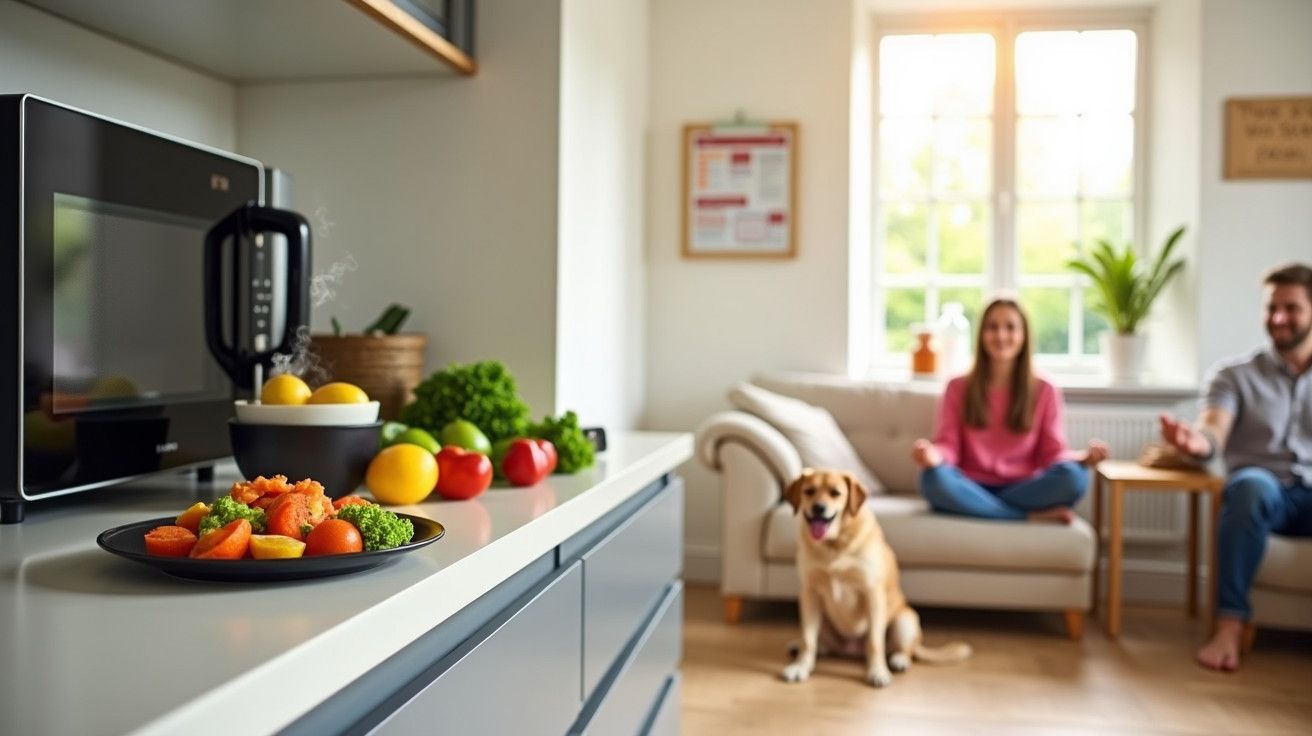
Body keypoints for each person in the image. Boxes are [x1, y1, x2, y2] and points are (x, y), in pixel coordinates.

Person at [1159, 262, 1312, 672]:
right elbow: (1213, 430)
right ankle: (1229, 627)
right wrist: (1197, 443)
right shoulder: (1233, 376)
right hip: (1265, 493)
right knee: (1248, 486)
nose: (1278, 318)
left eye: (1291, 308)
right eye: (1271, 308)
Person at [910, 296, 1109, 523]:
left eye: (1010, 327)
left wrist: (1083, 458)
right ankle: (1025, 516)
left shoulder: (1045, 389)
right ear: (981, 335)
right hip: (970, 484)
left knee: (1075, 477)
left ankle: (983, 508)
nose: (1001, 335)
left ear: (1023, 335)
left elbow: (1052, 453)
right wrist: (932, 455)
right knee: (932, 479)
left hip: (1025, 487)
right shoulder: (957, 387)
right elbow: (949, 447)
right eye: (992, 327)